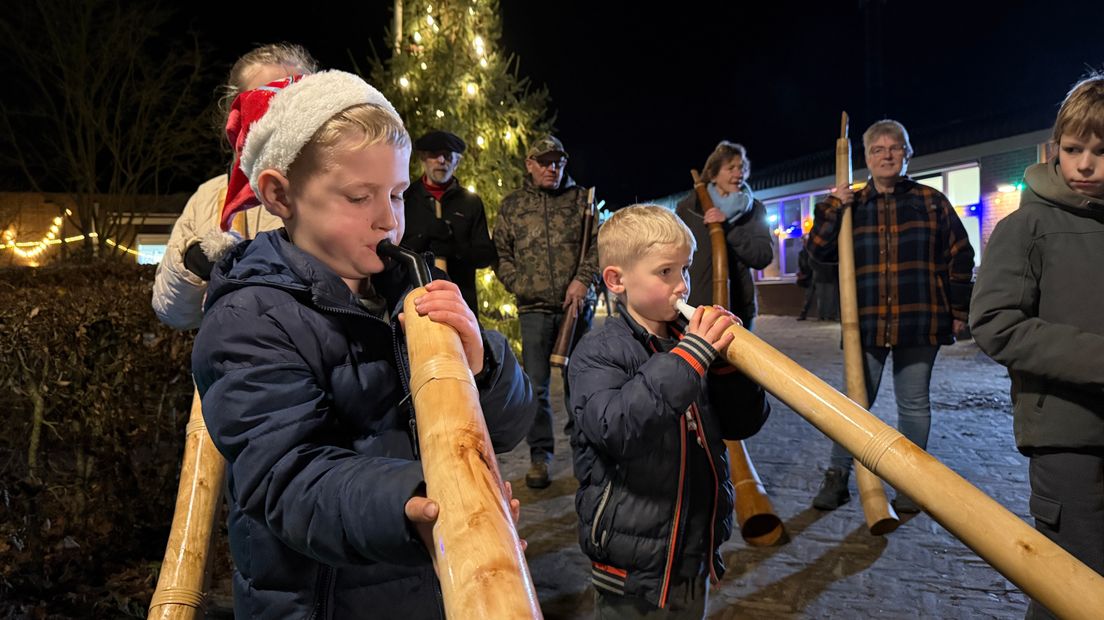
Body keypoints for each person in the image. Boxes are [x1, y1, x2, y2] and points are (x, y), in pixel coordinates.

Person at [190, 70, 534, 618]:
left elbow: (510, 427)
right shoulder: (248, 318)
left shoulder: (408, 288)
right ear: (280, 194)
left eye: (398, 194)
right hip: (321, 601)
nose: (388, 219)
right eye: (359, 197)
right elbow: (286, 478)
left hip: (423, 587)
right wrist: (416, 506)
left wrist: (485, 366)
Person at [568, 205, 769, 617]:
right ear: (617, 280)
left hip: (692, 548)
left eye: (686, 269)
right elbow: (616, 428)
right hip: (631, 564)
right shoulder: (599, 352)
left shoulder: (691, 345)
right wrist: (691, 357)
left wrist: (730, 369)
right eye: (665, 272)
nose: (682, 286)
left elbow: (743, 423)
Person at [970, 73, 1104, 620]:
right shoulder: (1028, 226)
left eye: (1101, 151)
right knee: (1069, 581)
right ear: (1056, 149)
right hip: (1066, 435)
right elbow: (996, 321)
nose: (1086, 165)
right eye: (1074, 150)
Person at [808, 119, 975, 513]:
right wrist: (833, 207)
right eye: (877, 149)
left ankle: (911, 485)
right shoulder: (850, 207)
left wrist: (958, 309)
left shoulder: (931, 202)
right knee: (852, 405)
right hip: (863, 323)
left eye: (894, 148)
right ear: (865, 158)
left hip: (920, 319)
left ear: (907, 154)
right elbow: (817, 252)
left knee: (914, 404)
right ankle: (838, 477)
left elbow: (960, 256)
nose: (886, 155)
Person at [152, 43, 317, 330]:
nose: (282, 117)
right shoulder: (210, 196)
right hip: (231, 368)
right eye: (266, 100)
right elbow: (173, 313)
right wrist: (193, 263)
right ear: (236, 114)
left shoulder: (337, 188)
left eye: (296, 99)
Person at [493, 135, 598, 489]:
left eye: (558, 162)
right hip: (533, 310)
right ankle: (541, 456)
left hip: (576, 309)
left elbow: (598, 247)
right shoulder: (513, 206)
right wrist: (520, 285)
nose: (552, 168)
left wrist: (582, 281)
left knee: (579, 384)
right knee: (536, 388)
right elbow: (501, 255)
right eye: (545, 162)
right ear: (530, 164)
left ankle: (586, 454)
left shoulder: (582, 200)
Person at [675, 141, 773, 330]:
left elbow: (762, 256)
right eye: (731, 168)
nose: (739, 174)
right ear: (713, 174)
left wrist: (728, 228)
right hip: (695, 309)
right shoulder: (688, 208)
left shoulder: (754, 209)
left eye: (742, 167)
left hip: (737, 310)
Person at [401, 130, 496, 314]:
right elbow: (394, 250)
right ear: (423, 158)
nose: (441, 161)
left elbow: (485, 254)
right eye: (434, 155)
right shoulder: (407, 199)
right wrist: (423, 238)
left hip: (460, 301)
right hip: (415, 300)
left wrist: (456, 249)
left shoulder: (470, 202)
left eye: (447, 156)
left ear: (457, 162)